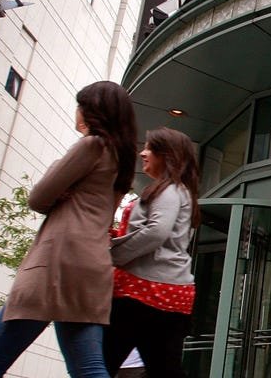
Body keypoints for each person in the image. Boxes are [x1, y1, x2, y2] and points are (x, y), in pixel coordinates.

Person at [0, 81, 137, 378]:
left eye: (81, 105)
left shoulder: (92, 145)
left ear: (92, 111)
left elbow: (38, 198)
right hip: (91, 267)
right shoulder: (123, 160)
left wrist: (62, 184)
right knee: (88, 369)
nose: (77, 111)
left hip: (56, 261)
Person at [102, 127, 201, 377]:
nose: (142, 153)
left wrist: (113, 255)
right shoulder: (178, 192)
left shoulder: (170, 190)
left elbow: (157, 231)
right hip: (164, 294)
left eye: (149, 148)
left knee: (98, 364)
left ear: (167, 155)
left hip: (143, 292)